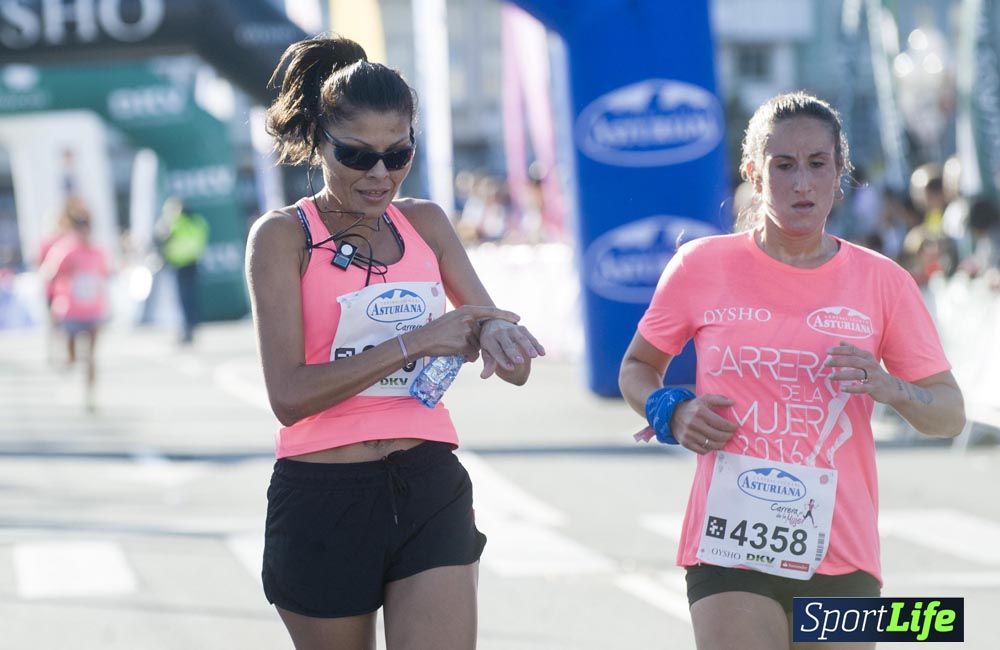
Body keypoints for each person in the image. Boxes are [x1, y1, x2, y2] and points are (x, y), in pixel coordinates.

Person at [619, 91, 965, 650]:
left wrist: (891, 386)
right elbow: (637, 366)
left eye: (816, 165)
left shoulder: (883, 281)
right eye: (783, 166)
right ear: (755, 174)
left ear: (839, 173)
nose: (801, 183)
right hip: (729, 545)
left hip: (843, 550)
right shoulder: (701, 265)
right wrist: (671, 410)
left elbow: (949, 414)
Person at [246, 35, 545, 650]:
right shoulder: (281, 237)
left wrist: (500, 336)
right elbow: (289, 396)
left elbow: (499, 348)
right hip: (324, 496)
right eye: (357, 155)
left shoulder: (427, 222)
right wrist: (420, 339)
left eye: (399, 152)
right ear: (319, 142)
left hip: (426, 479)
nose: (381, 173)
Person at [41, 209, 111, 411]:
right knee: (72, 355)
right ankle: (70, 363)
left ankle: (90, 396)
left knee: (91, 356)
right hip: (70, 310)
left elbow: (105, 275)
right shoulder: (65, 250)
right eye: (81, 229)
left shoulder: (98, 252)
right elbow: (50, 273)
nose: (84, 234)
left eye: (87, 229)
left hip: (93, 310)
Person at [156, 197, 209, 344]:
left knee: (184, 299)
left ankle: (187, 329)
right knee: (191, 298)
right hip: (192, 262)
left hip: (180, 264)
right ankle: (191, 326)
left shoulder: (176, 223)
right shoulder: (197, 221)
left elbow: (162, 237)